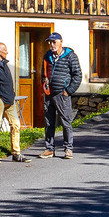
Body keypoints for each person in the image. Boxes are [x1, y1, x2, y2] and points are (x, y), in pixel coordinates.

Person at [39, 31, 83, 159]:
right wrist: (44, 83)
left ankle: (68, 149)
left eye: (54, 42)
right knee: (49, 123)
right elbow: (43, 74)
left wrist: (68, 91)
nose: (52, 45)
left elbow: (77, 75)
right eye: (50, 42)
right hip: (49, 94)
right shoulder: (47, 56)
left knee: (66, 123)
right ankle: (49, 149)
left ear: (61, 42)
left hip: (62, 95)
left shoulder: (70, 56)